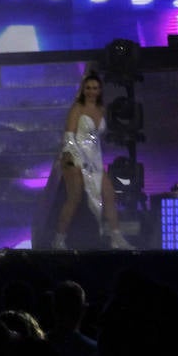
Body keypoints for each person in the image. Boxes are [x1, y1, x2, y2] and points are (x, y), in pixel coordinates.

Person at [51, 72, 131, 251]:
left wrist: (93, 160)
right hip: (74, 156)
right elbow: (69, 137)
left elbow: (96, 139)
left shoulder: (102, 109)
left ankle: (116, 237)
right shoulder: (77, 108)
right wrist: (77, 160)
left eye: (95, 88)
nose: (91, 91)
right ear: (83, 89)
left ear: (100, 90)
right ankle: (58, 240)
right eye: (88, 88)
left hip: (94, 158)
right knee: (75, 198)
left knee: (109, 194)